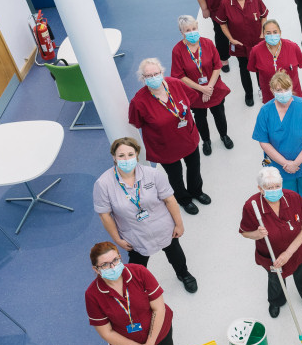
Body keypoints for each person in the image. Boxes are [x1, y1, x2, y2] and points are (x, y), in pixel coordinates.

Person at [93, 137, 197, 293]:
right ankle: (137, 286)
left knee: (174, 252)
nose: (126, 159)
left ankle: (183, 274)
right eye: (121, 155)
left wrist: (179, 224)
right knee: (137, 265)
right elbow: (105, 215)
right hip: (134, 234)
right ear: (114, 157)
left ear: (137, 154)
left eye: (130, 154)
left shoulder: (152, 174)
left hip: (163, 226)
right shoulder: (103, 184)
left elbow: (169, 200)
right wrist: (117, 239)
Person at [85, 242, 180, 345]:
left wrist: (150, 343)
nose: (113, 267)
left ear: (119, 258)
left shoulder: (139, 272)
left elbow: (158, 308)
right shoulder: (92, 295)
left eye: (115, 260)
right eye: (105, 264)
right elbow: (106, 333)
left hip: (159, 331)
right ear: (96, 269)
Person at [129, 58, 210, 216]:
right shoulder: (139, 101)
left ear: (162, 72)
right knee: (175, 175)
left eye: (156, 73)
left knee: (194, 167)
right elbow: (135, 122)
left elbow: (190, 99)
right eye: (148, 76)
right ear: (143, 78)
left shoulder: (175, 84)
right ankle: (184, 199)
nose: (153, 77)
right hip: (165, 146)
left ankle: (196, 191)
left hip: (187, 137)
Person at [239, 167, 302, 318]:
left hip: (297, 250)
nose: (275, 190)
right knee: (275, 280)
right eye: (269, 188)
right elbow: (244, 232)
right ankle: (276, 301)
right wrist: (256, 234)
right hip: (272, 256)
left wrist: (288, 253)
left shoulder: (293, 198)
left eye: (277, 186)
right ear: (260, 189)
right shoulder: (251, 206)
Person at [253, 71, 302, 229]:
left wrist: (296, 163)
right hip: (279, 166)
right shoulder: (265, 112)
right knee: (287, 195)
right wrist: (285, 163)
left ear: (292, 87)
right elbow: (264, 142)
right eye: (279, 90)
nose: (283, 93)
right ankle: (294, 216)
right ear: (272, 90)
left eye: (286, 89)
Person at [170, 15, 233, 156]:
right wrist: (201, 89)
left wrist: (208, 87)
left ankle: (224, 136)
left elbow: (217, 66)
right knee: (200, 119)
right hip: (194, 92)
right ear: (181, 32)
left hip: (213, 88)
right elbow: (179, 75)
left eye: (194, 28)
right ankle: (206, 141)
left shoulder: (207, 43)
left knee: (219, 114)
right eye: (187, 30)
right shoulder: (177, 50)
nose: (192, 32)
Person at [215, 0, 268, 106]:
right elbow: (222, 23)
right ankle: (248, 94)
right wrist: (231, 39)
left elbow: (263, 15)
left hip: (257, 41)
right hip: (239, 43)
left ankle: (262, 89)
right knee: (244, 68)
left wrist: (262, 33)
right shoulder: (226, 3)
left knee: (260, 66)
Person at [248, 19, 302, 104]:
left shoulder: (293, 47)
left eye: (275, 32)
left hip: (293, 93)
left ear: (280, 32)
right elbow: (253, 68)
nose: (272, 35)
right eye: (268, 33)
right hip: (270, 95)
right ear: (263, 34)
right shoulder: (256, 51)